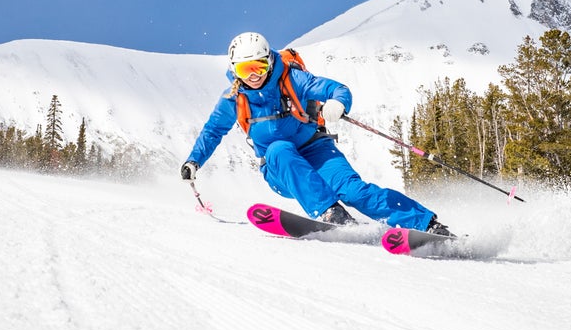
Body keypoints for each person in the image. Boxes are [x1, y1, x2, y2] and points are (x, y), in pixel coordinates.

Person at [181, 32, 453, 235]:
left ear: (268, 62)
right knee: (279, 148)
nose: (254, 75)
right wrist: (194, 161)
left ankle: (427, 224)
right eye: (245, 69)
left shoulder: (292, 78)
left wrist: (338, 103)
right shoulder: (233, 99)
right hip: (280, 168)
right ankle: (330, 212)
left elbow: (337, 89)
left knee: (354, 191)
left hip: (316, 149)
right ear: (234, 70)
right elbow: (213, 131)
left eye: (259, 67)